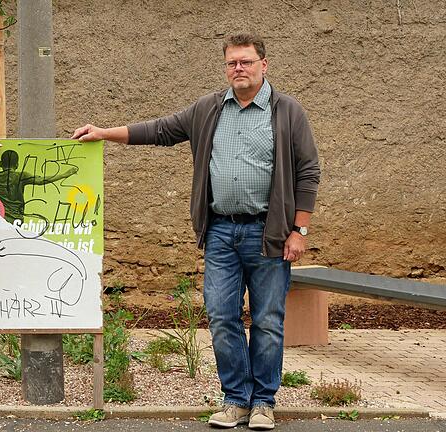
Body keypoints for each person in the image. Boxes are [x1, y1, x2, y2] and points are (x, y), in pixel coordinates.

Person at [72, 33, 320, 430]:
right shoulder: (208, 109)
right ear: (225, 68)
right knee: (222, 317)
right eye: (232, 63)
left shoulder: (287, 111)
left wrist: (299, 230)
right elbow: (159, 130)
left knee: (269, 321)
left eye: (246, 62)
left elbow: (308, 171)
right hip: (221, 232)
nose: (239, 69)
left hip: (268, 234)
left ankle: (263, 403)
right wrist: (104, 132)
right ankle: (236, 400)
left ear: (264, 65)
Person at [0, 149, 78, 224]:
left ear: (1, 164)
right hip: (15, 219)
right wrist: (64, 174)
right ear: (17, 165)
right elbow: (41, 181)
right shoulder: (21, 176)